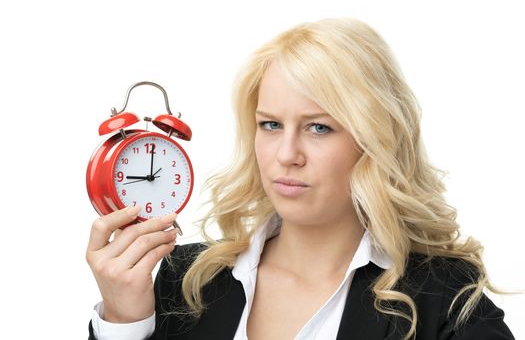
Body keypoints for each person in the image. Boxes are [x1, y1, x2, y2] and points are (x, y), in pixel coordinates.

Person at [86, 18, 515, 339]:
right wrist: (124, 321)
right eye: (270, 125)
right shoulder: (186, 279)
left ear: (375, 139)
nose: (286, 155)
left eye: (318, 127)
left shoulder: (445, 298)